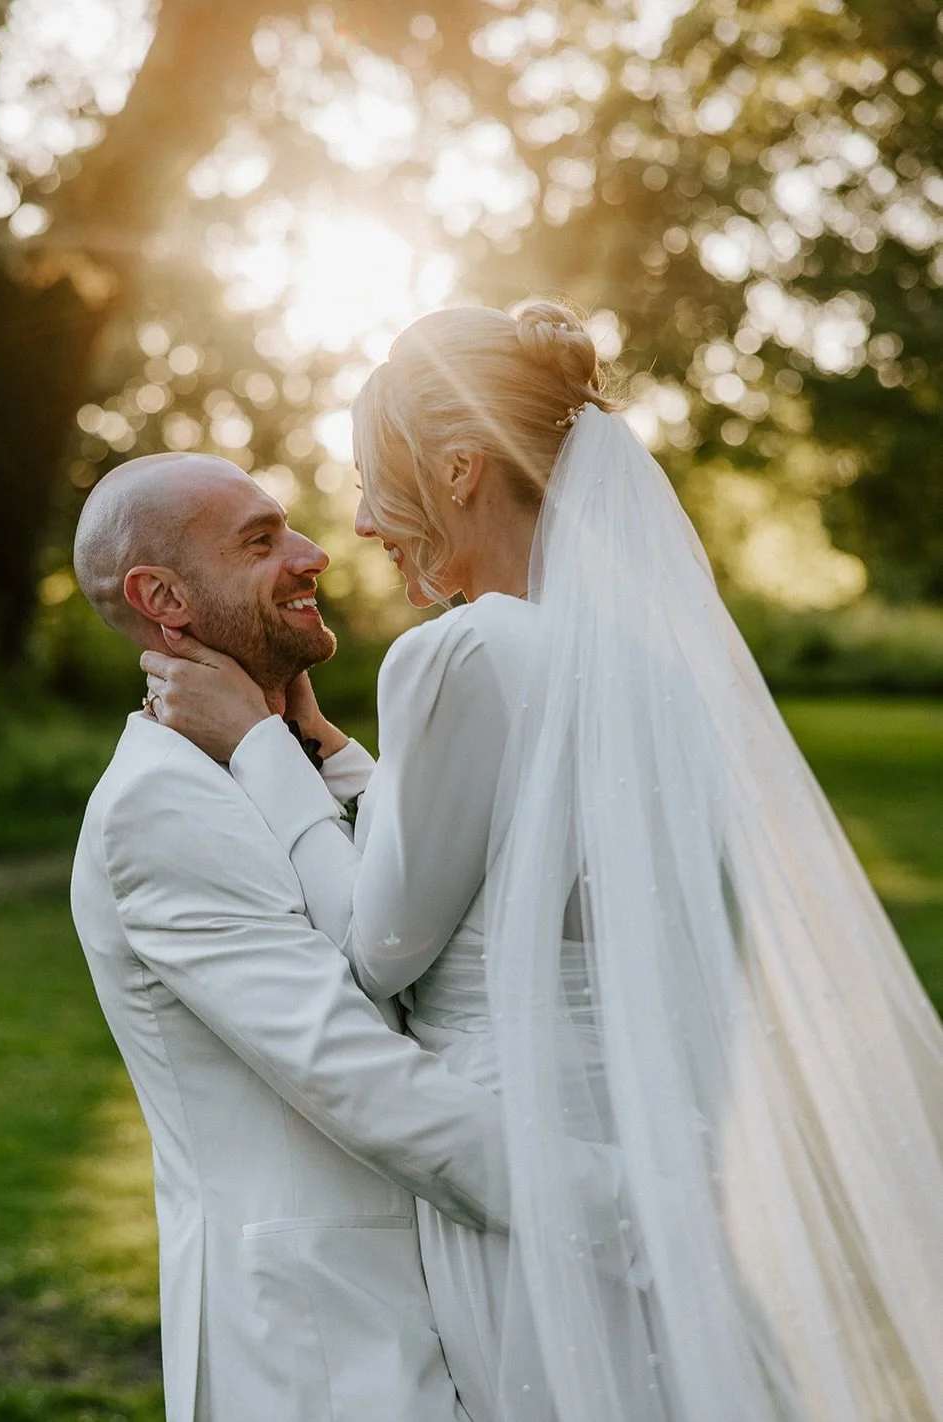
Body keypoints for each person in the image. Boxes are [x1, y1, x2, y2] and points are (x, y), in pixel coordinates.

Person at [141, 304, 943, 1422]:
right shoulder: (645, 666)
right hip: (642, 1133)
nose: (367, 523)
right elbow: (503, 862)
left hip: (515, 1160)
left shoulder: (458, 649)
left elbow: (378, 951)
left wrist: (260, 747)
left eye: (378, 482)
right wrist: (332, 752)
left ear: (460, 468)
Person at [70, 450, 527, 1422]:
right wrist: (610, 1193)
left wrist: (297, 746)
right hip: (323, 1348)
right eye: (260, 541)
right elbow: (353, 1074)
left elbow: (403, 924)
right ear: (165, 598)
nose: (316, 554)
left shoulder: (270, 760)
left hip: (424, 1312)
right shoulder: (161, 804)